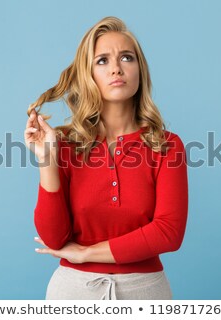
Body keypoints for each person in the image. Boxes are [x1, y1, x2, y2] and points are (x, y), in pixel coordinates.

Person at [24, 16, 188, 300]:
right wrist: (48, 159)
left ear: (140, 70)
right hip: (72, 292)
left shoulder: (167, 146)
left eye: (127, 57)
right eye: (102, 60)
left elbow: (169, 233)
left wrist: (87, 253)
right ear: (88, 74)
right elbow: (54, 238)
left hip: (146, 291)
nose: (116, 68)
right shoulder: (64, 145)